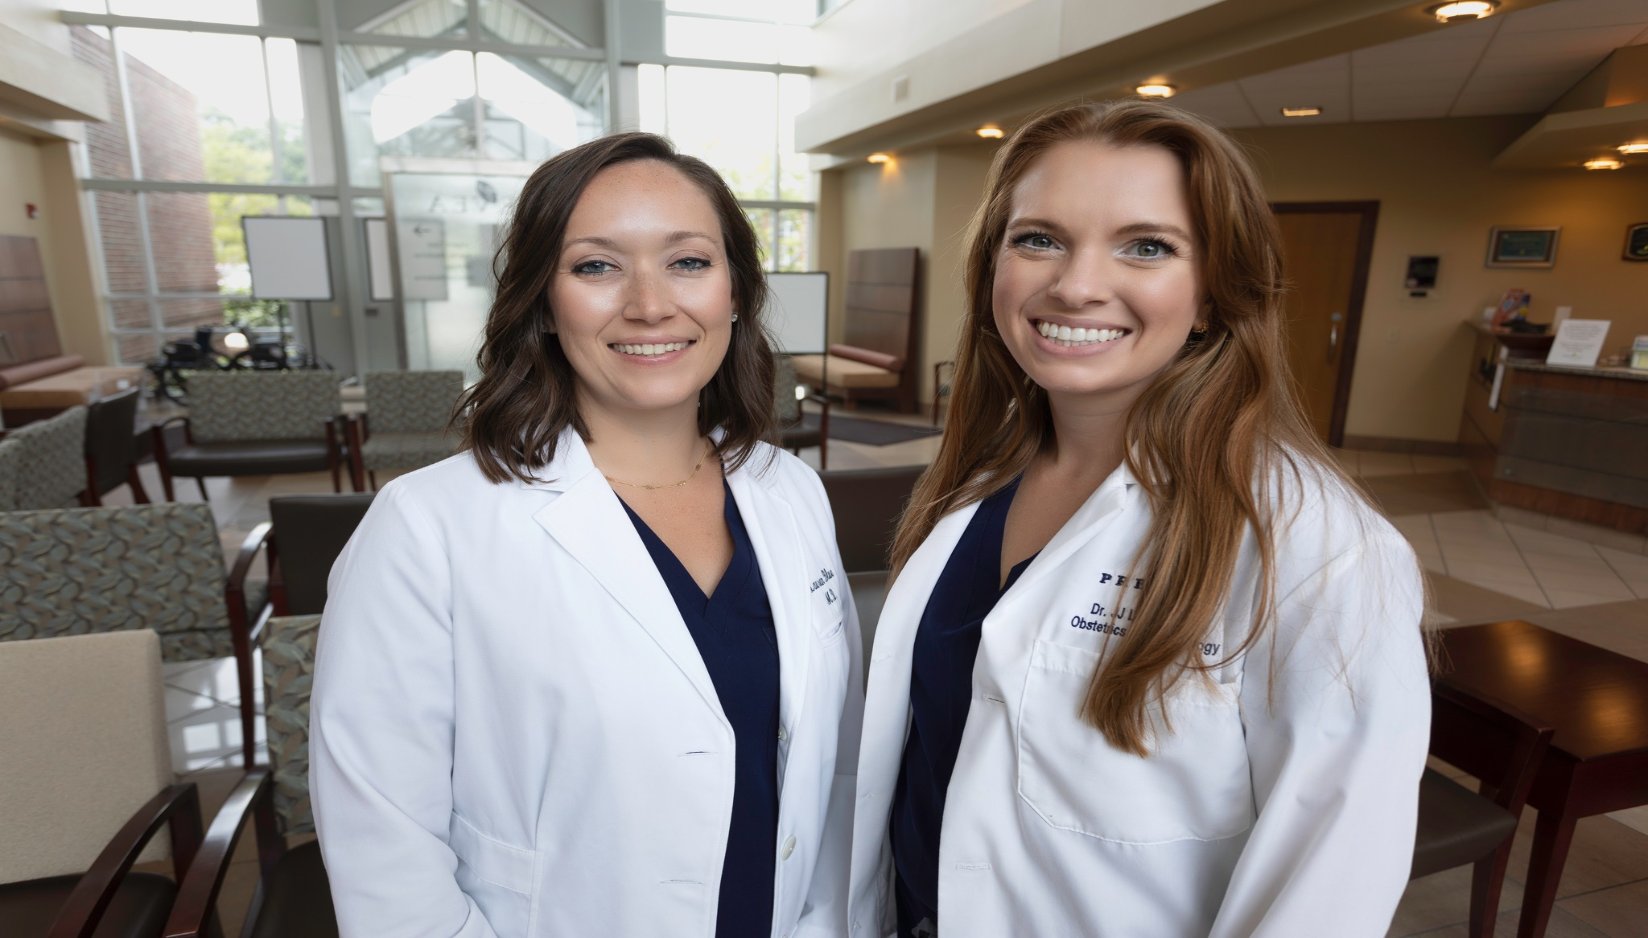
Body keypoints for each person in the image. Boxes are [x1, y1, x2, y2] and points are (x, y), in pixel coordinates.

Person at [845, 100, 1429, 937]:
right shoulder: (977, 481)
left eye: (1147, 247)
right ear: (992, 271)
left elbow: (1330, 880)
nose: (1077, 285)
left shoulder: (1316, 545)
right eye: (1038, 238)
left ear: (1211, 298)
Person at [311, 132, 862, 938]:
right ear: (542, 300)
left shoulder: (791, 491)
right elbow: (381, 836)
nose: (649, 304)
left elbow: (833, 760)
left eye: (689, 262)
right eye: (597, 266)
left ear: (737, 293)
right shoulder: (430, 525)